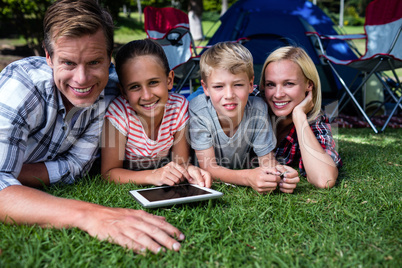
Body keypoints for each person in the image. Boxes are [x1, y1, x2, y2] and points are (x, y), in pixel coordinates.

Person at [0, 0, 184, 254]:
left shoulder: (117, 89)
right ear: (48, 57)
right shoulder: (21, 90)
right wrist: (90, 214)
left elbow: (76, 166)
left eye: (95, 62)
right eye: (68, 63)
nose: (82, 79)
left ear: (109, 58)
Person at [189, 42, 300, 194]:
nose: (229, 95)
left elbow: (267, 161)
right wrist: (248, 177)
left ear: (250, 85)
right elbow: (208, 167)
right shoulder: (199, 110)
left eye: (238, 85)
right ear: (206, 88)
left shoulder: (258, 109)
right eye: (218, 87)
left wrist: (281, 175)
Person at [101, 39, 211, 187]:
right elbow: (109, 173)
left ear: (169, 80)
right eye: (134, 87)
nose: (146, 96)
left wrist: (189, 170)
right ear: (123, 92)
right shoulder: (118, 114)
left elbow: (180, 163)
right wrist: (152, 176)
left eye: (153, 82)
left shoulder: (178, 107)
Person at [259, 46, 343, 189]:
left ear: (309, 85)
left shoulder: (315, 121)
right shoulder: (250, 102)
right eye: (270, 84)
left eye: (289, 84)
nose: (278, 94)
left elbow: (324, 180)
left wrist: (299, 116)